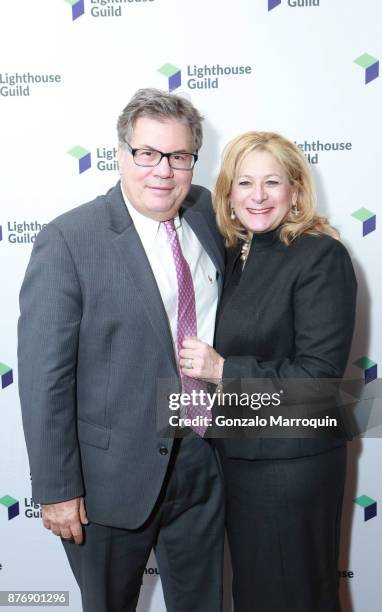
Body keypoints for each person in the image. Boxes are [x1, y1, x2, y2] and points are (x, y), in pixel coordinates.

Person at [18, 88, 226, 612]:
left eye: (178, 157)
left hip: (202, 462)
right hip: (109, 483)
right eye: (147, 153)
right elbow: (45, 378)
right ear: (121, 154)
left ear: (192, 162)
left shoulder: (206, 216)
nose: (163, 170)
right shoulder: (69, 239)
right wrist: (58, 488)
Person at [179, 131, 357, 612]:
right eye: (245, 183)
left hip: (289, 465)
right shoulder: (241, 252)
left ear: (295, 190)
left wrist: (223, 369)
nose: (257, 196)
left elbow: (318, 381)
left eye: (272, 182)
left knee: (288, 595)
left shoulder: (320, 255)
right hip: (241, 459)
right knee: (260, 594)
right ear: (229, 194)